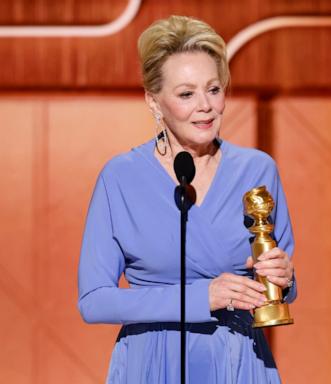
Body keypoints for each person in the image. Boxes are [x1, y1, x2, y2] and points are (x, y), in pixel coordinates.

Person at [78, 15, 296, 384]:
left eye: (214, 89)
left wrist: (285, 279)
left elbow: (283, 286)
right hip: (151, 362)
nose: (206, 106)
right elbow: (94, 301)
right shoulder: (120, 177)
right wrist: (200, 298)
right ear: (154, 102)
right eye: (186, 94)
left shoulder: (258, 169)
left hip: (236, 360)